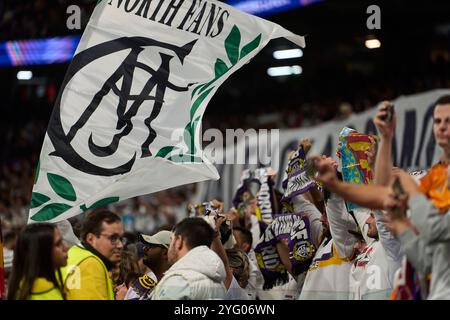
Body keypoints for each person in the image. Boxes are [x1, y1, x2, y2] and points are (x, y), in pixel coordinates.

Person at [151, 217, 227, 300]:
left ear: (179, 241)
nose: (169, 247)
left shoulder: (178, 281)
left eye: (171, 240)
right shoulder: (220, 284)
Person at [61, 210, 124, 300]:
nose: (120, 245)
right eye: (113, 238)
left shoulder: (76, 255)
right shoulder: (90, 264)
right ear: (91, 239)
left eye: (121, 238)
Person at [7, 223, 68, 300]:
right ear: (42, 252)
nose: (66, 247)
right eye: (58, 244)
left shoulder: (20, 286)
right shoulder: (46, 294)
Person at [124, 230, 172, 300]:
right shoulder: (144, 285)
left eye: (151, 246)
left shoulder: (174, 286)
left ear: (165, 252)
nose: (145, 248)